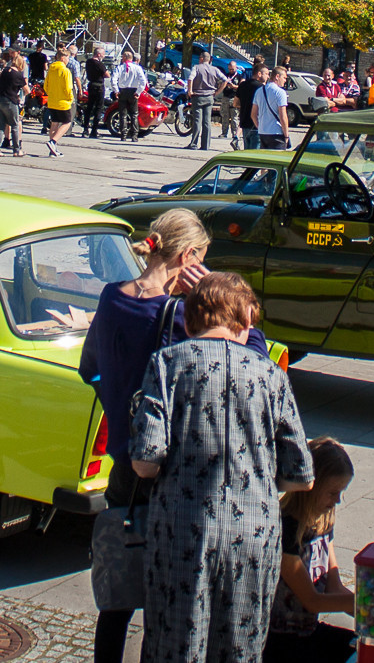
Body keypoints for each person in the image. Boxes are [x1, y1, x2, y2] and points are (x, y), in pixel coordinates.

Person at [131, 273, 313, 663]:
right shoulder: (271, 375)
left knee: (174, 644)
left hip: (182, 531)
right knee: (240, 650)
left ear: (192, 318)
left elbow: (146, 461)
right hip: (253, 533)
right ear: (245, 318)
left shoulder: (167, 364)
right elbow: (301, 474)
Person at [81, 210, 219, 663]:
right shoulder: (180, 314)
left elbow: (90, 368)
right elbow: (245, 350)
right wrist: (211, 295)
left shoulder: (110, 297)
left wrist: (119, 409)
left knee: (119, 585)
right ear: (190, 256)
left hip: (124, 460)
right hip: (169, 469)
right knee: (167, 586)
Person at [265, 438, 357, 663]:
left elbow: (333, 587)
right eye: (332, 492)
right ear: (310, 487)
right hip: (282, 642)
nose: (337, 500)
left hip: (308, 632)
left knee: (363, 649)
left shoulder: (323, 521)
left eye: (341, 492)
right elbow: (313, 601)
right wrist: (363, 607)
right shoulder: (287, 528)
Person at [183, 53, 226, 151]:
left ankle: (194, 144)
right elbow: (225, 80)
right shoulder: (215, 69)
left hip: (198, 96)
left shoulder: (196, 68)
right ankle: (205, 145)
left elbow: (190, 78)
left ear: (201, 59)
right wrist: (218, 92)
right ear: (209, 60)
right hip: (210, 97)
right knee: (207, 122)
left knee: (197, 120)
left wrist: (190, 91)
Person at [44, 45, 78, 157]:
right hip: (63, 101)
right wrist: (70, 98)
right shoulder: (65, 70)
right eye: (67, 58)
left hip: (52, 100)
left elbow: (46, 85)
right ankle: (53, 142)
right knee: (67, 122)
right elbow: (68, 87)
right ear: (63, 58)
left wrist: (51, 94)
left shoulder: (51, 69)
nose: (68, 60)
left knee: (54, 123)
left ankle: (52, 150)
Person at [0, 51, 28, 155]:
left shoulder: (4, 71)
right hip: (10, 101)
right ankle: (17, 150)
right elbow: (27, 90)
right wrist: (21, 97)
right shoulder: (17, 75)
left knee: (1, 125)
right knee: (15, 125)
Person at [111, 49, 150, 143]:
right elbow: (143, 81)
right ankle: (134, 135)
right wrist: (138, 91)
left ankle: (123, 134)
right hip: (133, 91)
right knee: (134, 114)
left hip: (123, 91)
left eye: (122, 57)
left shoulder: (120, 68)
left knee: (123, 114)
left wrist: (116, 90)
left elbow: (113, 79)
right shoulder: (137, 68)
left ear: (125, 58)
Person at [254, 67, 291, 151]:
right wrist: (286, 135)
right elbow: (283, 116)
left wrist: (259, 127)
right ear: (277, 76)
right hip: (276, 133)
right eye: (284, 78)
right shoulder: (280, 92)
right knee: (277, 161)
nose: (285, 80)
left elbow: (253, 114)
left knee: (264, 160)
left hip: (263, 132)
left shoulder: (259, 91)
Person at [236, 64, 266, 151]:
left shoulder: (242, 85)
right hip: (256, 125)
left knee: (247, 152)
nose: (268, 76)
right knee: (254, 155)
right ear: (259, 74)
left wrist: (245, 105)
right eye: (266, 74)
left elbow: (235, 103)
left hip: (244, 123)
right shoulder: (262, 88)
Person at [84, 47, 111, 138]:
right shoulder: (100, 64)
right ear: (98, 54)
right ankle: (94, 131)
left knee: (89, 107)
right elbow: (107, 75)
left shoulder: (88, 62)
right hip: (99, 86)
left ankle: (85, 129)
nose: (103, 56)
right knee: (98, 108)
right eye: (103, 54)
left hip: (91, 85)